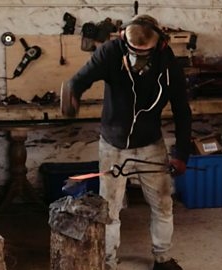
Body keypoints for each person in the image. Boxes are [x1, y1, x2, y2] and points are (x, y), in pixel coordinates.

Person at [61, 14, 192, 270]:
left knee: (163, 204)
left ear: (159, 44)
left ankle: (162, 258)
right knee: (109, 210)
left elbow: (182, 110)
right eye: (134, 51)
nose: (138, 57)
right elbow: (80, 79)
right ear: (124, 40)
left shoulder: (168, 63)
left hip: (150, 144)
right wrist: (72, 93)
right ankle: (108, 262)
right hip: (113, 143)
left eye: (145, 52)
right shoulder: (110, 52)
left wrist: (182, 153)